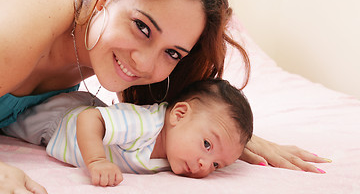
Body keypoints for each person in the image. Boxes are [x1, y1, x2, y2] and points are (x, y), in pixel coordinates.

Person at [0, 0, 329, 193]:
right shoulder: (23, 21)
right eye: (142, 27)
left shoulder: (92, 41)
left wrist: (218, 130)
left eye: (172, 52)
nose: (144, 64)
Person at [2, 78, 254, 187]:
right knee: (8, 116)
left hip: (63, 125)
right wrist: (97, 160)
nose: (204, 165)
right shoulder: (146, 124)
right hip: (59, 119)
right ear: (178, 115)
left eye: (217, 165)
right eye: (208, 145)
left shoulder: (179, 153)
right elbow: (90, 118)